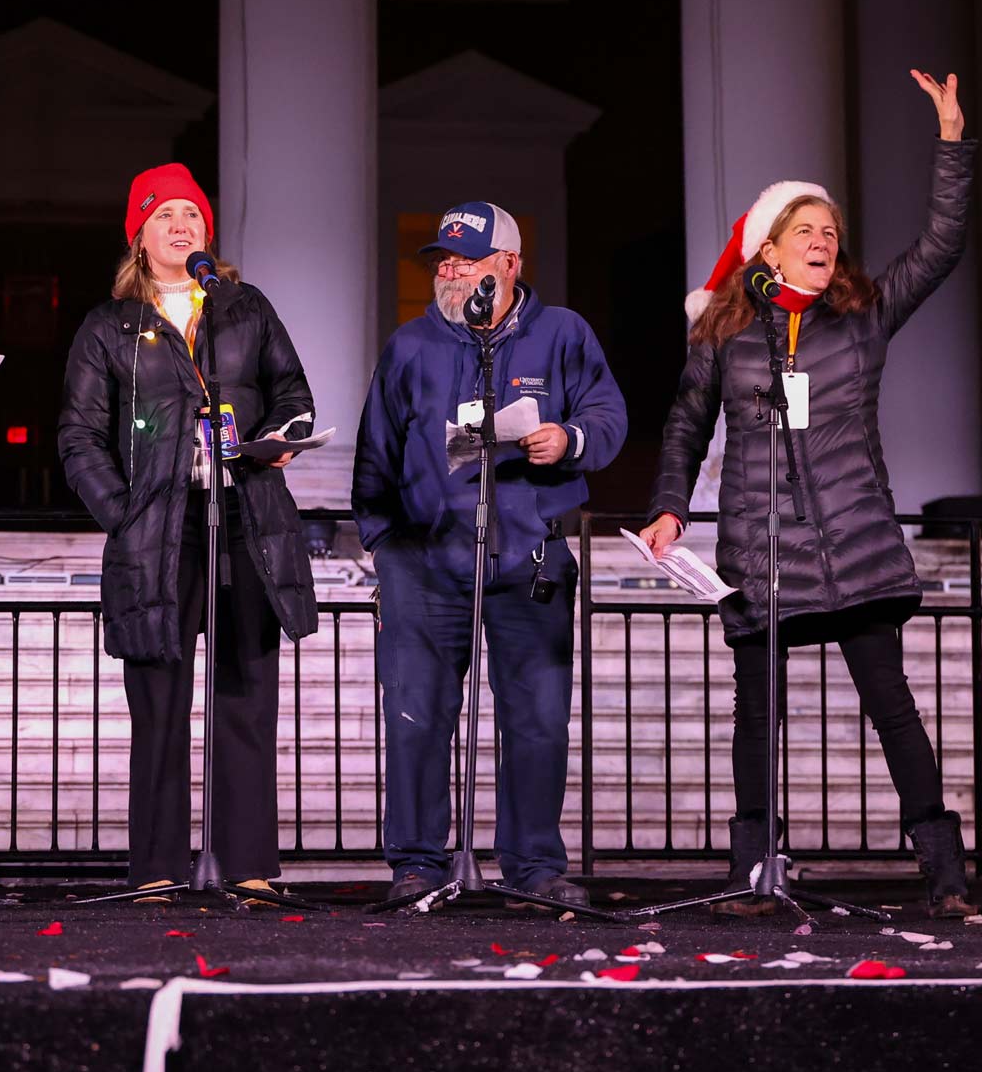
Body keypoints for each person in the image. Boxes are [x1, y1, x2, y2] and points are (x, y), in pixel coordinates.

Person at [640, 71, 978, 917]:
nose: (823, 241)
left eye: (831, 230)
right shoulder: (725, 333)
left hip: (855, 547)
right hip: (762, 551)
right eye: (805, 231)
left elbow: (940, 245)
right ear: (770, 249)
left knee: (891, 705)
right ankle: (753, 873)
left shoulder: (862, 316)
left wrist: (951, 142)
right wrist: (670, 504)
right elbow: (685, 423)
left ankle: (945, 874)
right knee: (756, 716)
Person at [57, 162, 319, 897]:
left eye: (194, 217)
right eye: (166, 215)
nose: (183, 227)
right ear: (139, 234)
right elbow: (78, 437)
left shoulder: (244, 307)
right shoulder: (110, 326)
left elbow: (294, 395)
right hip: (157, 534)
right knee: (161, 707)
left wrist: (278, 437)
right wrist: (125, 512)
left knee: (246, 698)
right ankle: (160, 870)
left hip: (245, 522)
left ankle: (250, 868)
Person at [355, 203, 628, 906]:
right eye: (442, 259)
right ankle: (417, 862)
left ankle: (534, 867)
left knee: (537, 718)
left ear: (509, 264)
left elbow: (609, 415)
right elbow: (374, 459)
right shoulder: (410, 346)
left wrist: (567, 438)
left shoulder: (562, 333)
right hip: (424, 559)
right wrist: (387, 549)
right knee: (416, 713)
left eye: (466, 258)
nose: (449, 270)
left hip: (529, 558)